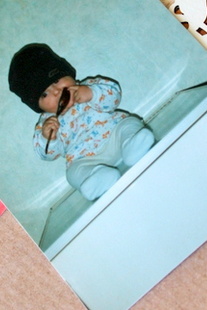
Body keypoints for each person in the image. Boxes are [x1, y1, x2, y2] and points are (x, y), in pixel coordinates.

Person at [8, 43, 155, 201]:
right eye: (44, 94)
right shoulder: (47, 123)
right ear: (38, 106)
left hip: (115, 136)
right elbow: (47, 155)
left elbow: (114, 96)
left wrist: (92, 93)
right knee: (72, 174)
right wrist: (47, 137)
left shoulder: (88, 86)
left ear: (68, 73)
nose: (56, 92)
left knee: (128, 124)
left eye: (56, 80)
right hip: (86, 160)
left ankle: (133, 145)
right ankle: (96, 179)